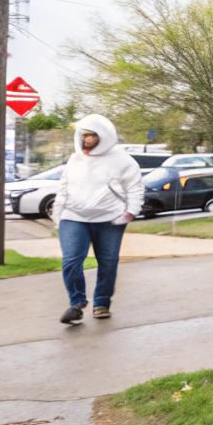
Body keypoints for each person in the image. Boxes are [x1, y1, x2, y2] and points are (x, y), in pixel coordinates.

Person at [51, 114, 145, 325]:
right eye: (84, 136)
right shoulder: (75, 159)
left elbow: (135, 188)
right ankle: (76, 303)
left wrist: (131, 211)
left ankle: (101, 303)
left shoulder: (123, 161)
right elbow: (64, 187)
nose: (87, 140)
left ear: (104, 136)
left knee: (108, 262)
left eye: (92, 136)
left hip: (110, 219)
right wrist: (58, 213)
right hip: (73, 217)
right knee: (71, 260)